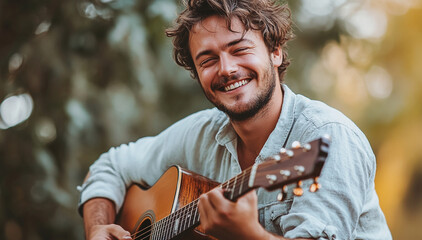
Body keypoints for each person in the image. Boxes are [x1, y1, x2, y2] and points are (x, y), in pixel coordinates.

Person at [78, 0, 392, 239]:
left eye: (239, 49)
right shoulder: (200, 135)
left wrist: (248, 234)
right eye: (208, 60)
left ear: (275, 51)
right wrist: (98, 227)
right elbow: (110, 166)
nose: (226, 69)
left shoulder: (327, 138)